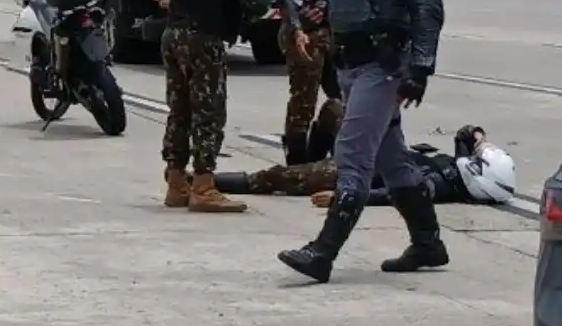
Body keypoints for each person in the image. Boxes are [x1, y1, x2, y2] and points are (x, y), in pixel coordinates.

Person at [279, 0, 447, 283]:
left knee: (352, 156)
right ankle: (428, 243)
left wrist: (421, 68)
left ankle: (322, 253)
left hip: (384, 65)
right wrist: (317, 13)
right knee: (392, 161)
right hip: (353, 63)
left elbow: (427, 10)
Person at [143, 0, 271, 212]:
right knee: (208, 113)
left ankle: (176, 184)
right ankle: (203, 186)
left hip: (172, 34)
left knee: (179, 112)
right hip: (202, 39)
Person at [215, 125, 517, 205]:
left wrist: (343, 197)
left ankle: (204, 181)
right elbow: (466, 133)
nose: (475, 153)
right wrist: (479, 138)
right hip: (370, 150)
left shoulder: (437, 186)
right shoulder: (459, 170)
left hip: (353, 172)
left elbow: (388, 196)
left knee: (276, 177)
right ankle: (309, 157)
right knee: (337, 108)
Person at [272, 0, 345, 164]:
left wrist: (326, 4)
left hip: (333, 31)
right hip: (304, 35)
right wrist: (298, 25)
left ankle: (322, 147)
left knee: (346, 95)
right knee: (304, 101)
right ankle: (297, 160)